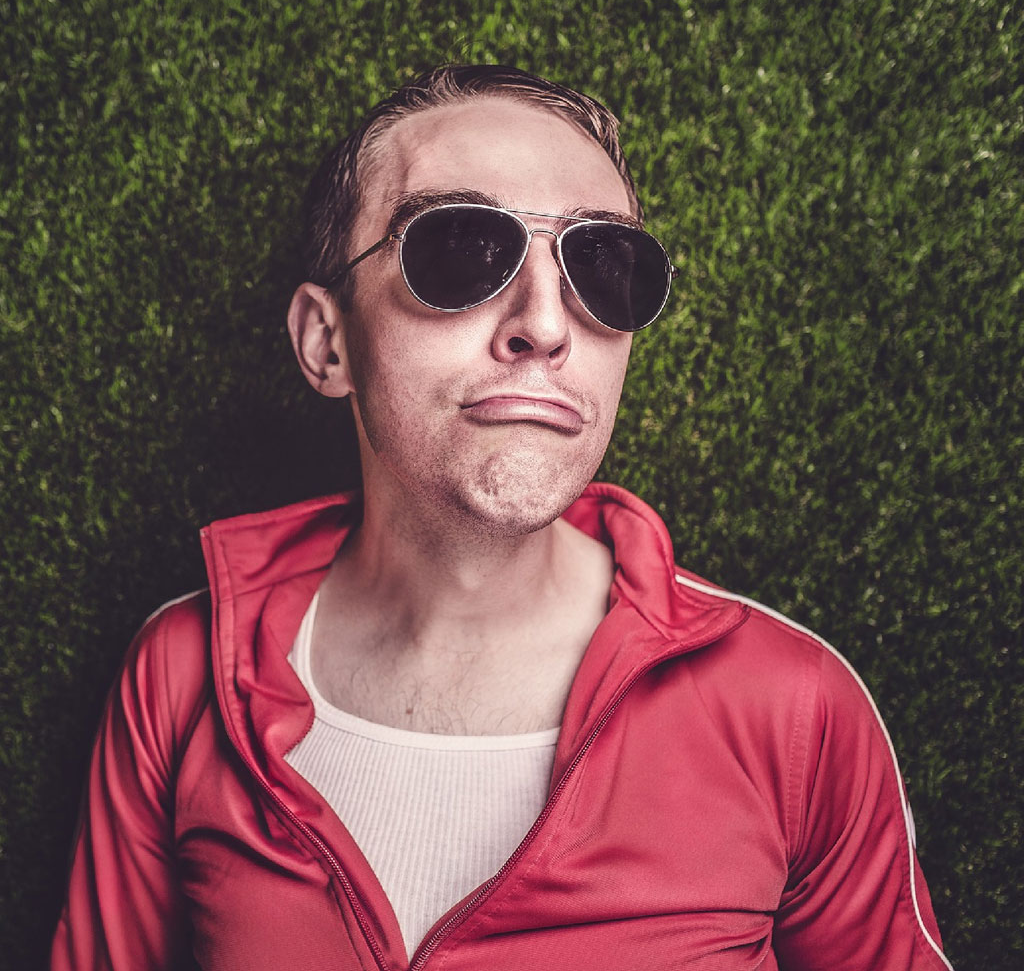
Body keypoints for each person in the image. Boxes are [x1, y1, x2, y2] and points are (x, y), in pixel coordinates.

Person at [51, 64, 952, 970]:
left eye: (602, 266)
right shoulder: (179, 674)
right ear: (328, 343)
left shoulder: (795, 707)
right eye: (460, 251)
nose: (546, 326)